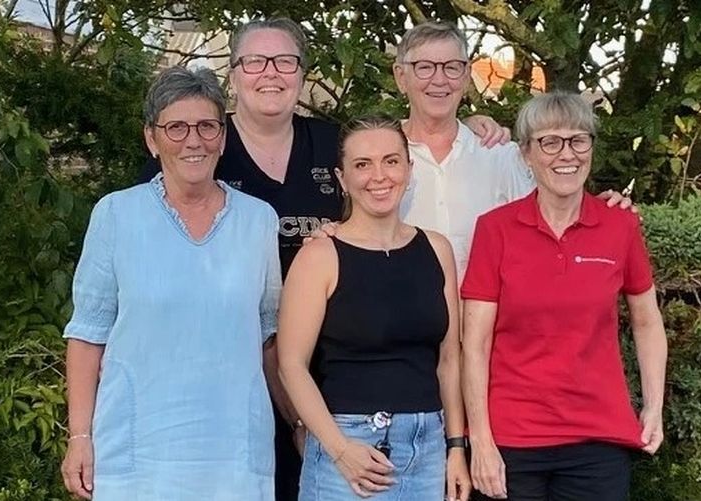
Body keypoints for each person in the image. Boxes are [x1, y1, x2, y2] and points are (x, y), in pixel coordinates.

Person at [138, 18, 510, 501]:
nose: (270, 72)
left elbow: (380, 145)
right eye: (256, 61)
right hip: (228, 365)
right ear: (233, 72)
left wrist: (475, 126)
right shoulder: (203, 145)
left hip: (334, 375)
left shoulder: (329, 141)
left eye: (285, 61)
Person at [60, 66, 281, 500]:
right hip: (137, 451)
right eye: (176, 127)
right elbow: (87, 335)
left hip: (235, 453)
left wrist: (298, 422)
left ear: (223, 137)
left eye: (206, 126)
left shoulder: (259, 220)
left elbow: (269, 335)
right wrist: (79, 437)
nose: (193, 140)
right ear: (152, 138)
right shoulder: (116, 215)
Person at [461, 91, 668, 501]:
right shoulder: (495, 229)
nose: (566, 154)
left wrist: (653, 406)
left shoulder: (620, 226)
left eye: (578, 140)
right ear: (526, 153)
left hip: (598, 439)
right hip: (511, 440)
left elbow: (646, 322)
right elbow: (475, 343)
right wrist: (480, 441)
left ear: (591, 147)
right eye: (550, 142)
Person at [278, 116, 471, 501]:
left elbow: (450, 358)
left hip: (428, 448)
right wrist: (339, 449)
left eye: (391, 161)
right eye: (362, 165)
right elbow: (291, 365)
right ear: (342, 178)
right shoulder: (320, 256)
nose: (379, 176)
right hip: (350, 449)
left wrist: (455, 448)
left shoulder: (437, 250)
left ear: (409, 169)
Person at [391, 22, 632, 279]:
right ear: (401, 77)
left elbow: (553, 222)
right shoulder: (378, 161)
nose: (439, 80)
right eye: (425, 67)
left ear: (466, 74)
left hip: (488, 306)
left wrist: (604, 210)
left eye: (451, 67)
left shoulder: (500, 156)